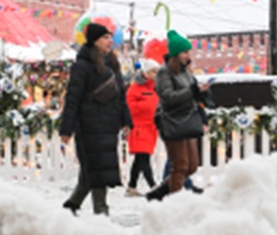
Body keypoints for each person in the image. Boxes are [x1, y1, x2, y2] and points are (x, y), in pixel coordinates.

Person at [59, 22, 132, 216]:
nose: (110, 41)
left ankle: (72, 204)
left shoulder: (112, 64)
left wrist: (126, 120)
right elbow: (72, 98)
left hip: (109, 125)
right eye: (105, 38)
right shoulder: (82, 66)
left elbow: (120, 95)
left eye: (110, 37)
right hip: (88, 124)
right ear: (94, 41)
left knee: (94, 168)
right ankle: (101, 211)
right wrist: (66, 128)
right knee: (97, 169)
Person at [146, 29, 209, 200]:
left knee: (192, 165)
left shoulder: (185, 72)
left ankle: (160, 192)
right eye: (185, 52)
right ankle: (175, 203)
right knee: (180, 165)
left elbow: (191, 94)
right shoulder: (164, 72)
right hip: (173, 120)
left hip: (188, 119)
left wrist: (200, 92)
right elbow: (167, 98)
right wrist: (192, 91)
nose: (188, 55)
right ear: (176, 53)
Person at [124, 60, 159, 196]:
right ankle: (153, 186)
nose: (156, 74)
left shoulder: (154, 87)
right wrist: (147, 105)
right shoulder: (135, 88)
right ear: (146, 72)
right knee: (144, 158)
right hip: (139, 127)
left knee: (140, 158)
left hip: (150, 127)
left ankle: (132, 186)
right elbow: (129, 106)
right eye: (153, 71)